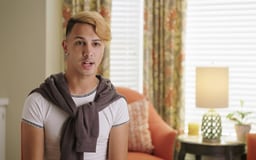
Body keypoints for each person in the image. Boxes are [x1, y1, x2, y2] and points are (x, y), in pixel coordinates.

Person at [21, 11, 129, 160]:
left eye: (96, 44)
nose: (88, 52)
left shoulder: (116, 105)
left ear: (103, 49)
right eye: (80, 42)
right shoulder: (37, 101)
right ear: (66, 47)